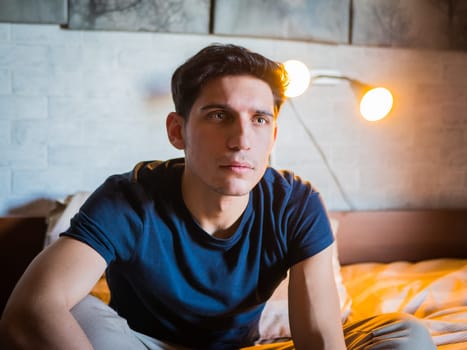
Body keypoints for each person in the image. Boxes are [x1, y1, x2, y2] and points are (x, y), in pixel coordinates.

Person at [0, 44, 435, 350]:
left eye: (259, 119)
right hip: (140, 344)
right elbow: (28, 310)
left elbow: (320, 337)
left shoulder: (296, 203)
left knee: (406, 335)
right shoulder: (128, 198)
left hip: (241, 346)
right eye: (218, 115)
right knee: (72, 312)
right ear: (177, 131)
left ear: (273, 135)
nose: (242, 139)